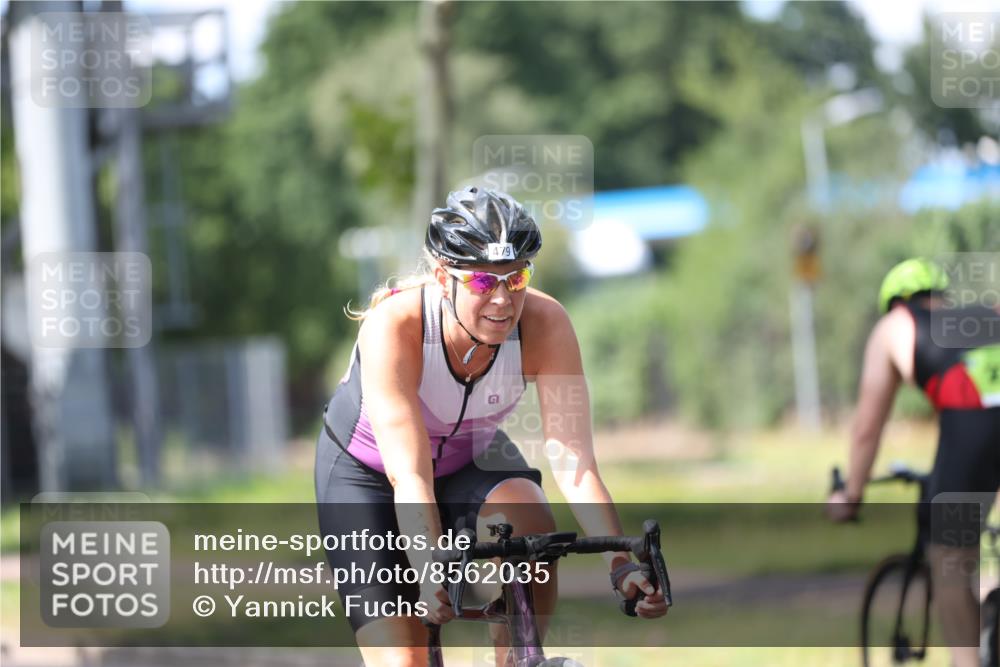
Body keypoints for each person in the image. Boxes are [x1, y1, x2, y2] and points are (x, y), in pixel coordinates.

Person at [315, 186, 668, 667]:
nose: (503, 300)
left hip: (467, 458)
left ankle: (516, 658)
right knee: (405, 659)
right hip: (368, 476)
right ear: (443, 277)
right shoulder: (395, 326)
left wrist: (621, 566)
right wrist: (428, 568)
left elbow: (573, 460)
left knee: (530, 521)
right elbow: (409, 475)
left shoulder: (546, 323)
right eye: (483, 282)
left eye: (517, 277)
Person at [827, 257, 1000, 667]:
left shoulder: (893, 327)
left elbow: (867, 428)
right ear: (940, 297)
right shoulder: (982, 315)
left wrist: (851, 494)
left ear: (894, 301)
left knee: (951, 558)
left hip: (974, 423)